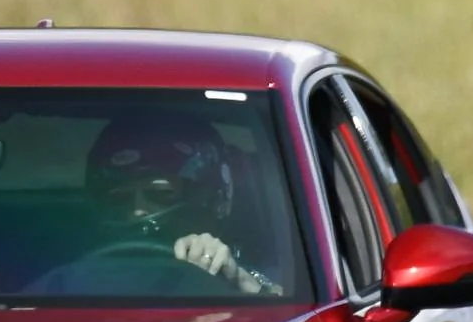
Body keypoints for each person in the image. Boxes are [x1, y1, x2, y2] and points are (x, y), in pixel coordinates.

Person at [28, 107, 285, 297]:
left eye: (161, 193)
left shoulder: (279, 260)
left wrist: (240, 280)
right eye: (120, 197)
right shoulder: (68, 280)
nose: (137, 210)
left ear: (211, 193)